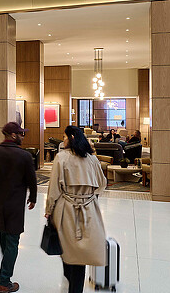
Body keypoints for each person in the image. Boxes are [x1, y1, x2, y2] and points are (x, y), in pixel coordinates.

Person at [0, 122, 38, 293]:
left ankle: (4, 271)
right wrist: (33, 198)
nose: (23, 137)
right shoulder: (24, 156)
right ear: (13, 135)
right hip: (14, 207)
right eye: (21, 134)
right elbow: (32, 180)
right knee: (12, 242)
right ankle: (4, 282)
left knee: (4, 236)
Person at [45, 125, 108, 293]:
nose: (63, 140)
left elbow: (54, 189)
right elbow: (102, 184)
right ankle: (75, 286)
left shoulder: (61, 158)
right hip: (89, 209)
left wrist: (49, 210)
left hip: (66, 209)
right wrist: (90, 196)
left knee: (67, 248)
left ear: (71, 138)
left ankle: (71, 280)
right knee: (81, 251)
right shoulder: (92, 159)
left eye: (64, 137)